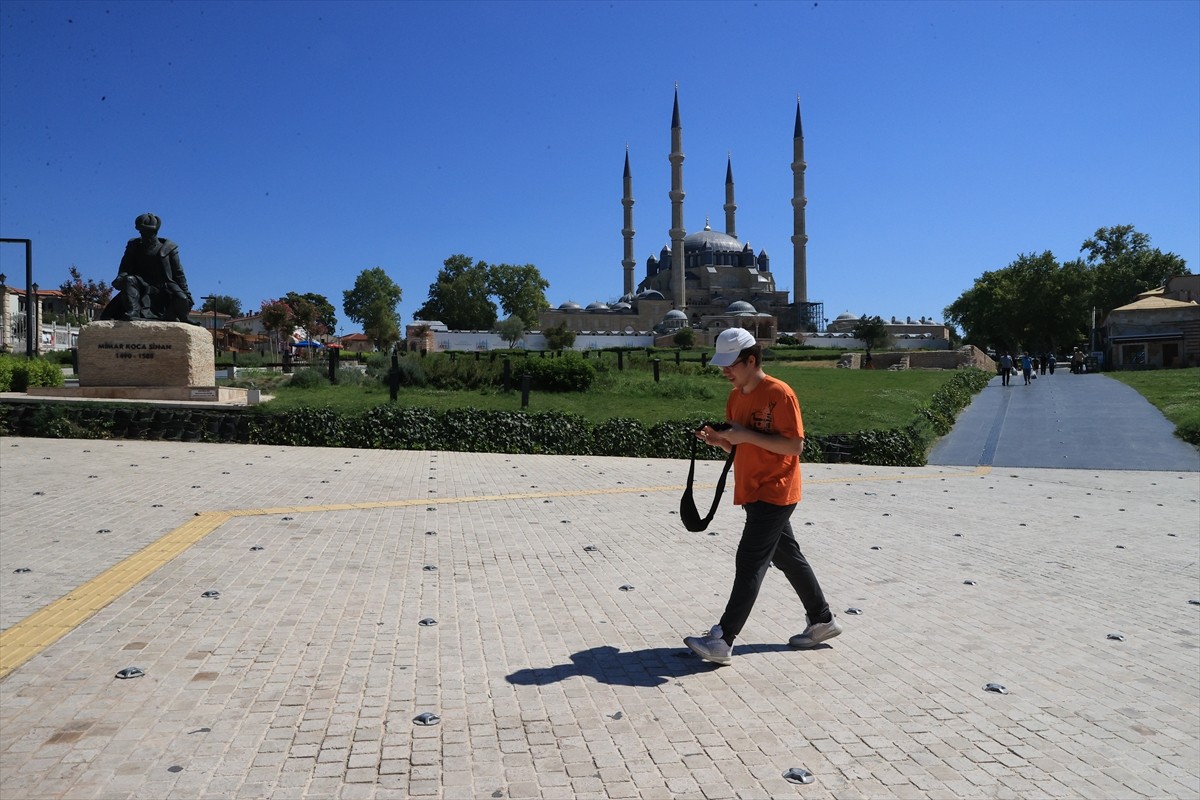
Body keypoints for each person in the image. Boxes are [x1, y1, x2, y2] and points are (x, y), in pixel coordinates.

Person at [683, 327, 840, 666]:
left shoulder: (779, 394)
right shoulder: (736, 395)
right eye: (722, 365)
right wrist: (720, 441)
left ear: (751, 360)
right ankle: (822, 621)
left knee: (750, 562)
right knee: (787, 558)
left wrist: (743, 434)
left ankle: (723, 640)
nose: (725, 371)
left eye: (731, 364)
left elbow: (794, 446)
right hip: (752, 489)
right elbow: (741, 443)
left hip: (777, 489)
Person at [100, 213, 193, 322]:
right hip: (140, 285)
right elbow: (125, 268)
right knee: (129, 280)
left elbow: (179, 274)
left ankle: (177, 316)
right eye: (141, 231)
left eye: (147, 232)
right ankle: (134, 311)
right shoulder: (134, 246)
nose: (143, 234)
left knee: (182, 299)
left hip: (163, 287)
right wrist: (120, 278)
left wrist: (186, 294)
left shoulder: (169, 249)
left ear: (155, 232)